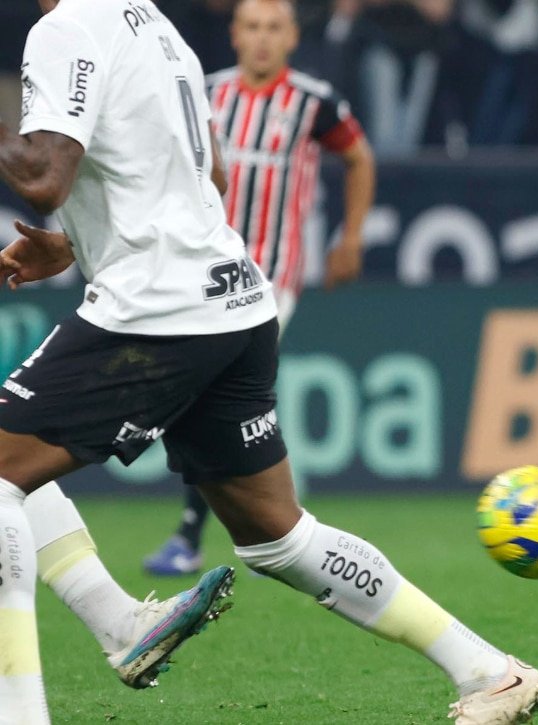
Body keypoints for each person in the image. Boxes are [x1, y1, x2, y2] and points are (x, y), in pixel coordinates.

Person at [0, 2, 538, 724]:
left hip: (158, 310)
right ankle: (487, 669)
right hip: (233, 298)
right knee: (279, 536)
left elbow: (42, 176)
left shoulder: (66, 29)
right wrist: (76, 241)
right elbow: (206, 177)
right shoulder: (158, 29)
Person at [142, 0, 376, 578]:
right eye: (253, 27)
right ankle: (261, 523)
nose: (263, 39)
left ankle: (200, 532)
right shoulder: (203, 92)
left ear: (292, 37)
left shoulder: (312, 101)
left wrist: (351, 238)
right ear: (235, 34)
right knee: (207, 396)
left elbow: (359, 158)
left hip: (271, 276)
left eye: (274, 28)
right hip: (200, 271)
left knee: (219, 390)